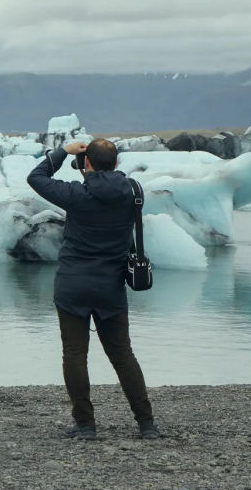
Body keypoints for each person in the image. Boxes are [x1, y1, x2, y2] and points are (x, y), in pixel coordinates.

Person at [27, 138, 160, 440]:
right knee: (123, 355)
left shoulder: (76, 194)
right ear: (115, 163)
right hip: (111, 286)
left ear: (86, 163)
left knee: (74, 355)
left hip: (73, 284)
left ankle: (86, 424)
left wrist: (63, 152)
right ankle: (146, 423)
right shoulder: (132, 192)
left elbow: (36, 177)